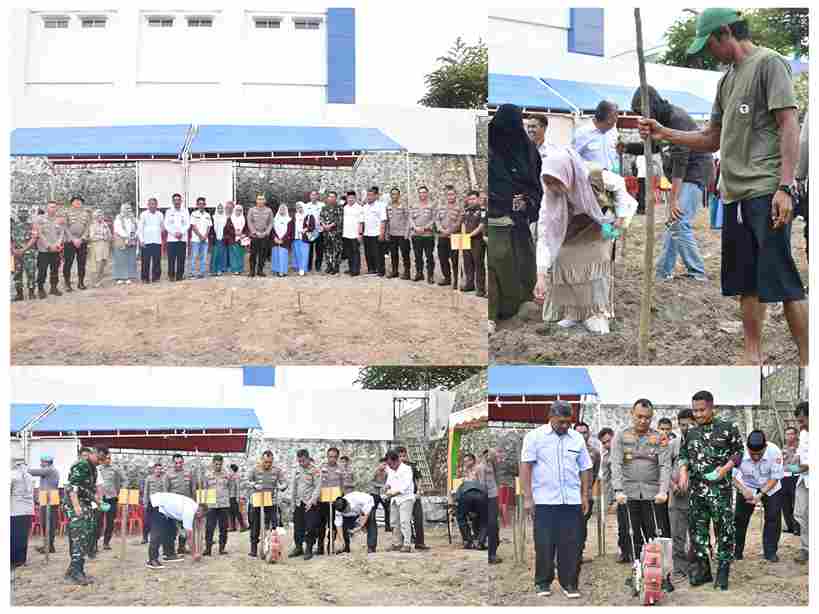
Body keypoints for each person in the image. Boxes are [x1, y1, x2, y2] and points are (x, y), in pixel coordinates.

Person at [638, 9, 808, 366]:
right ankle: (752, 353)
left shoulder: (769, 64)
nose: (709, 53)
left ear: (725, 32)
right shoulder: (725, 81)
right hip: (733, 195)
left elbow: (788, 123)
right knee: (744, 282)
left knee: (783, 279)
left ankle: (808, 359)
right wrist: (664, 132)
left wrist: (785, 187)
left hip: (766, 190)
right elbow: (710, 138)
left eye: (710, 44)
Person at [534, 147, 637, 335]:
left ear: (567, 173)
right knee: (561, 259)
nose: (552, 187)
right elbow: (545, 236)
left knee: (595, 259)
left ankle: (596, 313)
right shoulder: (550, 198)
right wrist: (541, 275)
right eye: (547, 182)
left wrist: (621, 216)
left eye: (556, 182)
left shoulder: (592, 176)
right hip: (570, 230)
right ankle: (573, 312)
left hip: (598, 225)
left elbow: (620, 185)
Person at [629, 86, 711, 281]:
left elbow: (681, 161)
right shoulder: (661, 123)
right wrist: (628, 147)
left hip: (694, 173)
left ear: (652, 106)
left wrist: (673, 199)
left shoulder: (677, 119)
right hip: (683, 175)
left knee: (679, 221)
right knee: (673, 224)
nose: (641, 116)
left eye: (642, 112)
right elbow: (654, 147)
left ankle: (697, 273)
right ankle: (663, 271)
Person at [520, 400, 591, 599]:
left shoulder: (577, 438)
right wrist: (528, 498)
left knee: (571, 544)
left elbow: (586, 467)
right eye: (561, 422)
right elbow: (526, 466)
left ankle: (570, 583)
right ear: (550, 417)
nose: (565, 426)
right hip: (544, 501)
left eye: (568, 422)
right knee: (544, 543)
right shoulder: (534, 437)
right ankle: (543, 582)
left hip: (571, 501)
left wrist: (585, 495)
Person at [679, 390, 744, 590]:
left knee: (724, 530)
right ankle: (704, 570)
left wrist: (725, 469)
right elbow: (684, 455)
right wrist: (683, 472)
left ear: (711, 407)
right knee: (698, 532)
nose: (697, 414)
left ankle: (723, 571)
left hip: (720, 492)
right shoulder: (690, 431)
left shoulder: (728, 427)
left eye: (701, 410)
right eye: (695, 410)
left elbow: (739, 453)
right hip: (697, 492)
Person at [488, 104, 542, 332]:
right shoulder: (487, 146)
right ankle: (492, 313)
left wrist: (527, 200)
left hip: (518, 223)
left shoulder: (528, 150)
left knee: (521, 265)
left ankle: (520, 306)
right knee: (495, 264)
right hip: (492, 222)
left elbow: (536, 186)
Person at [611, 399, 672, 590]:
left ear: (651, 417)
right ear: (632, 414)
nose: (643, 421)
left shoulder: (659, 437)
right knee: (632, 536)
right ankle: (638, 573)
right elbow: (616, 464)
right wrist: (618, 490)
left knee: (656, 536)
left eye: (647, 417)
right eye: (639, 416)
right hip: (628, 495)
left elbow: (665, 465)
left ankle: (662, 577)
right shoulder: (621, 437)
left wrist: (663, 491)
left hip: (653, 495)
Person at [732, 430, 784, 562]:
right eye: (752, 454)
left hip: (770, 487)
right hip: (746, 485)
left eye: (759, 454)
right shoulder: (739, 452)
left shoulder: (774, 451)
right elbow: (731, 475)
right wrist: (743, 490)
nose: (755, 457)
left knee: (773, 518)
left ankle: (770, 552)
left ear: (765, 447)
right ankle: (737, 552)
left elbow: (775, 477)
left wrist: (761, 494)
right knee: (739, 519)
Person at [63, 447, 99, 585]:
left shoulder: (91, 469)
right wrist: (77, 506)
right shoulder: (80, 466)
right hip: (76, 506)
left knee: (85, 537)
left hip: (85, 505)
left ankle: (74, 571)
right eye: (83, 455)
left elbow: (86, 490)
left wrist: (97, 501)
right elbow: (72, 487)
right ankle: (76, 573)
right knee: (79, 538)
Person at [146, 493, 206, 570]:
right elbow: (189, 536)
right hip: (157, 504)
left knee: (171, 531)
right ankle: (152, 560)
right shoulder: (190, 511)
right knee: (157, 533)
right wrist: (194, 553)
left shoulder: (194, 506)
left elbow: (182, 523)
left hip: (166, 510)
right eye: (201, 517)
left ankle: (169, 554)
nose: (199, 519)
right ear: (200, 511)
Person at [669, 408, 695, 581]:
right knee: (677, 534)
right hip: (677, 497)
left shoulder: (702, 444)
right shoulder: (673, 445)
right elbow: (663, 468)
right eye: (682, 424)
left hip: (696, 497)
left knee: (696, 535)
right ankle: (679, 567)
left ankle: (695, 565)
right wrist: (672, 485)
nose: (685, 428)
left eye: (689, 424)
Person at [599, 426, 631, 562]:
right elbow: (606, 482)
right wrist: (610, 501)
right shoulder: (605, 459)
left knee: (636, 524)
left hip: (634, 493)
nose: (607, 444)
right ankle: (624, 552)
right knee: (623, 526)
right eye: (604, 442)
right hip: (620, 497)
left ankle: (640, 552)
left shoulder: (627, 452)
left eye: (608, 440)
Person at [247, 451, 286, 558]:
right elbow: (247, 481)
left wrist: (282, 486)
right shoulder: (255, 469)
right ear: (261, 460)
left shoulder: (277, 470)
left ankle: (275, 547)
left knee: (274, 525)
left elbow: (284, 482)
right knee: (255, 525)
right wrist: (254, 485)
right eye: (265, 462)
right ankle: (254, 549)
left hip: (271, 501)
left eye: (270, 462)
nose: (267, 464)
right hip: (257, 500)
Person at [574, 422, 601, 567]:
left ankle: (578, 554)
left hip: (586, 495)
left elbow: (595, 473)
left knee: (581, 526)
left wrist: (588, 489)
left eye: (584, 432)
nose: (582, 435)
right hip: (569, 495)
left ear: (589, 434)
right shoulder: (568, 449)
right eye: (579, 432)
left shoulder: (595, 453)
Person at [289, 449, 322, 560]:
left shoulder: (315, 470)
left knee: (310, 527)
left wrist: (312, 501)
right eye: (299, 461)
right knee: (298, 526)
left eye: (303, 461)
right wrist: (292, 503)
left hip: (310, 503)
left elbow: (318, 487)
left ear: (308, 458)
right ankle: (298, 547)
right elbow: (294, 486)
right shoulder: (297, 470)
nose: (301, 463)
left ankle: (309, 548)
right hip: (299, 503)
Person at [396, 446, 429, 550]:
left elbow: (419, 479)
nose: (402, 458)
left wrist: (419, 491)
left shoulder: (412, 466)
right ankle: (405, 542)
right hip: (401, 497)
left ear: (407, 455)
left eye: (404, 455)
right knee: (403, 521)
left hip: (414, 496)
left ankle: (420, 542)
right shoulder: (394, 468)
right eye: (400, 456)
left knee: (418, 518)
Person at [572, 100, 620, 171]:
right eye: (616, 115)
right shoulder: (582, 133)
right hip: (590, 180)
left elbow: (615, 156)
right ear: (609, 118)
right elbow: (573, 158)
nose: (617, 119)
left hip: (611, 178)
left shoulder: (613, 132)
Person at [454, 455, 488, 550]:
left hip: (473, 494)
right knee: (484, 519)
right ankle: (479, 542)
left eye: (467, 461)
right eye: (464, 461)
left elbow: (482, 483)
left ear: (473, 460)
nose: (465, 463)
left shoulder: (479, 468)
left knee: (461, 517)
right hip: (475, 496)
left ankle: (469, 541)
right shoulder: (467, 472)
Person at [384, 449, 415, 553]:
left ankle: (407, 544)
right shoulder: (391, 469)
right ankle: (397, 543)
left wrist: (392, 493)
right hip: (394, 499)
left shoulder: (407, 469)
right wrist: (387, 486)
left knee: (404, 521)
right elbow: (389, 481)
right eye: (388, 464)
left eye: (390, 463)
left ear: (396, 460)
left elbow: (404, 487)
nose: (389, 466)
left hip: (406, 498)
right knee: (394, 522)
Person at [28, 454, 60, 554]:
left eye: (42, 462)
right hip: (46, 496)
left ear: (46, 462)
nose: (41, 464)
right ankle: (48, 545)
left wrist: (22, 468)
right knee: (45, 523)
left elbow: (32, 472)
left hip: (50, 497)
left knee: (49, 523)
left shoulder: (49, 470)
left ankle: (49, 546)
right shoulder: (49, 470)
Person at [34, 201, 65, 298]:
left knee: (55, 270)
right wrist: (48, 246)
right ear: (46, 208)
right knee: (42, 270)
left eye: (55, 207)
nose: (53, 209)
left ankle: (54, 288)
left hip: (56, 250)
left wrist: (58, 244)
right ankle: (41, 289)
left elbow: (61, 233)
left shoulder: (59, 220)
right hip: (44, 250)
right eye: (51, 207)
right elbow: (39, 233)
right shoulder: (39, 219)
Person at [94, 447, 123, 552]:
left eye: (109, 458)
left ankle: (106, 542)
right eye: (105, 458)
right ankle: (95, 543)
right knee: (98, 521)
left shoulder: (115, 469)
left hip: (112, 498)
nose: (107, 460)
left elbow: (124, 480)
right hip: (100, 499)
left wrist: (120, 491)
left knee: (110, 522)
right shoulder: (97, 469)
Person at [477, 447, 502, 564]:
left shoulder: (492, 465)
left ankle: (493, 551)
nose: (491, 457)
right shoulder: (481, 467)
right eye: (489, 455)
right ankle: (490, 554)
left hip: (494, 496)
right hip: (486, 497)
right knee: (490, 524)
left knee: (494, 524)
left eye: (492, 455)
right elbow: (482, 484)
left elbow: (496, 478)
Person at [164, 453, 193, 555]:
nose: (178, 465)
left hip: (186, 505)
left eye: (180, 462)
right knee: (172, 529)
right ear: (173, 463)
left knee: (184, 527)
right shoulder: (168, 475)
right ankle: (169, 550)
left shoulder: (188, 473)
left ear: (183, 462)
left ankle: (181, 547)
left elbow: (192, 489)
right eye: (176, 463)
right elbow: (165, 491)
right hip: (173, 506)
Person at [435, 186, 464, 289]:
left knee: (455, 260)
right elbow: (437, 220)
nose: (450, 196)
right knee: (443, 258)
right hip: (442, 236)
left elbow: (459, 222)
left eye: (452, 194)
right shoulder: (441, 207)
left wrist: (449, 231)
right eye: (448, 195)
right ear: (446, 196)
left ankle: (457, 280)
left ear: (456, 195)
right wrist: (441, 230)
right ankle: (447, 278)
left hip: (455, 237)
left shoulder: (460, 208)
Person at [62, 196, 92, 291]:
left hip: (82, 242)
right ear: (72, 203)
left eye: (80, 201)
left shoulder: (86, 214)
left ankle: (81, 282)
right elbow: (65, 227)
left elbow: (88, 227)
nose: (78, 203)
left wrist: (82, 238)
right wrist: (73, 239)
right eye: (76, 201)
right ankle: (67, 284)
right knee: (68, 263)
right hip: (69, 241)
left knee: (82, 263)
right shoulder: (66, 212)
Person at [317, 447, 343, 554]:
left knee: (333, 524)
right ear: (327, 456)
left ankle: (330, 544)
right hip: (323, 500)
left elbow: (342, 485)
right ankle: (320, 546)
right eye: (330, 456)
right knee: (321, 524)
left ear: (337, 457)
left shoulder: (341, 469)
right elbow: (317, 483)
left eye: (334, 457)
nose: (332, 459)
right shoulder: (321, 468)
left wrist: (341, 498)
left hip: (335, 500)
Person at [792, 401, 809, 564]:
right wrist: (795, 459)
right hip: (804, 479)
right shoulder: (804, 433)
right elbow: (800, 452)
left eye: (802, 421)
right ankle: (806, 548)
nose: (800, 425)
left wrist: (801, 467)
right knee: (800, 513)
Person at [204, 455, 231, 556]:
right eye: (216, 464)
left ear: (222, 463)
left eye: (220, 464)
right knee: (209, 527)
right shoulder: (207, 475)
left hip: (223, 504)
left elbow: (230, 487)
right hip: (211, 504)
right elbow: (205, 489)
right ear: (213, 463)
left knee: (223, 527)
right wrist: (204, 503)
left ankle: (222, 548)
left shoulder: (227, 475)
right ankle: (208, 549)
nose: (218, 466)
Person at [11, 455, 34, 569]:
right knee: (23, 536)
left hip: (15, 510)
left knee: (14, 536)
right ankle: (22, 559)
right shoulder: (29, 476)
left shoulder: (12, 475)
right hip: (28, 510)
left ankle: (14, 560)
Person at [409, 186, 437, 283]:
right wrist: (415, 228)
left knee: (429, 256)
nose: (422, 194)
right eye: (420, 192)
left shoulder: (432, 205)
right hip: (416, 234)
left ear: (427, 193)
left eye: (424, 192)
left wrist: (425, 228)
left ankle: (430, 276)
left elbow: (434, 219)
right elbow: (410, 218)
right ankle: (419, 273)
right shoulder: (414, 205)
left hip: (428, 235)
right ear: (418, 194)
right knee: (417, 256)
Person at [461, 190, 486, 296]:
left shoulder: (483, 211)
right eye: (470, 199)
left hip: (477, 241)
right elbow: (463, 223)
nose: (471, 201)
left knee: (478, 264)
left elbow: (481, 226)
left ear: (478, 199)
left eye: (473, 199)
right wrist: (463, 235)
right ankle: (469, 284)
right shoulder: (466, 211)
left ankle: (480, 289)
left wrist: (470, 235)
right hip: (466, 239)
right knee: (467, 263)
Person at [11, 208, 38, 301]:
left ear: (28, 214)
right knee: (17, 274)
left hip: (29, 254)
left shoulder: (32, 225)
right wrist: (13, 249)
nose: (22, 214)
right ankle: (19, 294)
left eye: (24, 213)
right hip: (17, 254)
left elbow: (34, 239)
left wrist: (23, 249)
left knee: (31, 274)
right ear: (18, 214)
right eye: (21, 212)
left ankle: (31, 293)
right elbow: (12, 239)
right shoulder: (13, 225)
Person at [386, 187, 411, 279]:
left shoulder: (403, 206)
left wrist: (407, 233)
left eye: (396, 194)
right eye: (392, 194)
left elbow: (409, 219)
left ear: (399, 195)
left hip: (402, 234)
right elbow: (388, 221)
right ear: (390, 195)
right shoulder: (388, 206)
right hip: (392, 234)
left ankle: (407, 272)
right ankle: (395, 271)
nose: (394, 196)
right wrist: (387, 233)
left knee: (405, 254)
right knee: (393, 254)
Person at [163, 193, 190, 281]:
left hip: (182, 238)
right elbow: (166, 224)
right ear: (173, 201)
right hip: (171, 239)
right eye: (175, 200)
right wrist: (174, 233)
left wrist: (181, 232)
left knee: (181, 258)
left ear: (181, 201)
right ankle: (171, 275)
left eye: (179, 200)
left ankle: (179, 276)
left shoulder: (185, 211)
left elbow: (187, 224)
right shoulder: (168, 211)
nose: (177, 202)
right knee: (171, 258)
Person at [137, 198, 164, 283]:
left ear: (157, 205)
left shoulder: (160, 214)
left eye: (154, 204)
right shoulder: (143, 214)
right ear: (148, 205)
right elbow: (140, 229)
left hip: (157, 240)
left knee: (157, 260)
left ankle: (156, 277)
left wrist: (163, 228)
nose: (152, 206)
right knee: (145, 261)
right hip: (146, 241)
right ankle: (145, 278)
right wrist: (141, 240)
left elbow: (162, 226)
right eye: (151, 204)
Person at [781, 425, 801, 535]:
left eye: (791, 434)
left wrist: (788, 466)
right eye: (787, 434)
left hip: (796, 477)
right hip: (784, 478)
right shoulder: (783, 448)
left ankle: (798, 527)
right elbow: (780, 464)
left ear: (796, 435)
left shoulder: (800, 448)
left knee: (796, 503)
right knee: (785, 503)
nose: (789, 436)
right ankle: (790, 526)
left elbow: (800, 466)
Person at [142, 462, 168, 546]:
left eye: (160, 469)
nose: (159, 471)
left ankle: (158, 538)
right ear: (154, 469)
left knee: (159, 521)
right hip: (150, 503)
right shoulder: (149, 478)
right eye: (157, 469)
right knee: (147, 521)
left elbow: (165, 490)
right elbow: (146, 490)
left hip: (160, 503)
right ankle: (145, 537)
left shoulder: (164, 479)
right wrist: (145, 502)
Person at [363, 186, 387, 276]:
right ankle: (371, 269)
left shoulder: (381, 206)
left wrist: (382, 233)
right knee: (368, 253)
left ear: (376, 196)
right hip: (367, 233)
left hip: (377, 233)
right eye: (368, 195)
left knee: (378, 253)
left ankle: (380, 270)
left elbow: (383, 220)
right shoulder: (365, 206)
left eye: (371, 195)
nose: (369, 197)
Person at [247, 194, 273, 277]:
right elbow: (249, 221)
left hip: (265, 235)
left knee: (263, 254)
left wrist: (266, 232)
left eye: (262, 199)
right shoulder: (251, 210)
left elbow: (271, 222)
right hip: (254, 236)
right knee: (253, 254)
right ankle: (252, 271)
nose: (260, 201)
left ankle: (260, 270)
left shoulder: (269, 210)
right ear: (256, 200)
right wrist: (254, 232)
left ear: (265, 201)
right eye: (259, 199)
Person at [112, 203, 138, 285]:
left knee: (130, 259)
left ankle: (129, 276)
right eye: (126, 209)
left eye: (129, 208)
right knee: (120, 259)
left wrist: (133, 236)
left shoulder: (134, 219)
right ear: (122, 209)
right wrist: (127, 237)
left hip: (131, 241)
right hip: (121, 241)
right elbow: (118, 229)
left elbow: (138, 227)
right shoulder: (118, 219)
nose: (128, 210)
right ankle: (119, 277)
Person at [319, 191, 344, 274]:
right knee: (327, 250)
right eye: (329, 196)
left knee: (336, 250)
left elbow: (339, 220)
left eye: (333, 197)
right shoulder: (324, 208)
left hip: (336, 233)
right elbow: (321, 217)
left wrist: (329, 226)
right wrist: (323, 225)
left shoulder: (339, 207)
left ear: (336, 198)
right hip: (326, 233)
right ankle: (329, 266)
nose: (331, 198)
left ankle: (336, 267)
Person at [189, 197, 212, 279]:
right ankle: (193, 273)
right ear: (197, 205)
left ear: (205, 205)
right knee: (194, 256)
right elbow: (193, 226)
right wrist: (200, 236)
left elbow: (209, 227)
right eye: (200, 204)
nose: (201, 205)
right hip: (196, 239)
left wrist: (205, 236)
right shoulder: (193, 214)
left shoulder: (207, 215)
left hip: (205, 240)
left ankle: (202, 272)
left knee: (204, 257)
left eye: (203, 204)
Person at [342, 190, 364, 276]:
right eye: (349, 198)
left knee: (355, 252)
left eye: (352, 198)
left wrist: (360, 234)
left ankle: (356, 270)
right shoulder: (345, 207)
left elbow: (361, 222)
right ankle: (351, 268)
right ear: (346, 198)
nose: (350, 199)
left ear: (355, 198)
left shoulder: (359, 208)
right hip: (346, 234)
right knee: (348, 253)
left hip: (355, 235)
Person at [88, 209, 111, 287]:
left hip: (105, 245)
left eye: (101, 216)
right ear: (95, 217)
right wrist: (102, 237)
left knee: (104, 263)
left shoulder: (105, 224)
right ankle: (95, 281)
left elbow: (110, 235)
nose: (101, 217)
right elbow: (91, 237)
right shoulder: (92, 225)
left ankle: (100, 280)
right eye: (99, 216)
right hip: (97, 246)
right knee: (98, 264)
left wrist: (107, 236)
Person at [270, 204, 294, 277]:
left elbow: (290, 231)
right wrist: (275, 238)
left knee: (283, 255)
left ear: (286, 210)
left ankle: (282, 271)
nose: (282, 210)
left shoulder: (289, 220)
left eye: (283, 209)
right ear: (278, 210)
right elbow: (272, 230)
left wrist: (283, 239)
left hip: (285, 241)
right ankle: (276, 270)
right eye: (281, 209)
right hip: (275, 240)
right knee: (276, 255)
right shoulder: (274, 219)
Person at [368, 457, 392, 532]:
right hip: (374, 493)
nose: (385, 466)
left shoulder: (386, 473)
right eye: (384, 464)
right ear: (379, 464)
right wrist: (381, 485)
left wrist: (387, 489)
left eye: (386, 465)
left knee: (387, 509)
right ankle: (371, 526)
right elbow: (371, 482)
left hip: (383, 494)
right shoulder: (375, 471)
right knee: (373, 510)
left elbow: (386, 483)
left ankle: (387, 527)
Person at [304, 190, 325, 273]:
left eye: (315, 195)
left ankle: (318, 266)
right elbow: (305, 218)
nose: (313, 196)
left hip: (320, 230)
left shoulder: (322, 205)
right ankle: (309, 266)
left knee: (319, 250)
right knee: (309, 250)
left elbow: (325, 216)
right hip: (310, 231)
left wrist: (323, 227)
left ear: (317, 196)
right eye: (312, 195)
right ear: (310, 196)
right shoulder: (306, 206)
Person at [225, 202, 247, 275]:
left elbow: (246, 229)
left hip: (242, 239)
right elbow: (227, 229)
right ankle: (234, 269)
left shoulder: (243, 218)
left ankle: (240, 268)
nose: (239, 211)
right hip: (232, 239)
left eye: (240, 210)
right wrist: (235, 233)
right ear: (234, 210)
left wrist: (244, 234)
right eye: (237, 210)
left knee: (240, 254)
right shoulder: (230, 218)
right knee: (233, 255)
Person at [292, 203, 313, 277]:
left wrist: (306, 229)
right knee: (298, 253)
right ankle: (298, 267)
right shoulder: (294, 215)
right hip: (296, 237)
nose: (299, 209)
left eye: (300, 207)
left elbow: (312, 226)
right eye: (297, 207)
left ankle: (303, 269)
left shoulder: (308, 215)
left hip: (304, 237)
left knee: (304, 254)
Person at [227, 463, 247, 532]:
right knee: (230, 512)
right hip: (229, 496)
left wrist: (238, 497)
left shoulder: (236, 476)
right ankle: (232, 527)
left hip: (234, 496)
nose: (229, 470)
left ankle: (242, 526)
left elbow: (238, 487)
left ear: (232, 469)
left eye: (230, 469)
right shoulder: (229, 477)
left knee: (237, 511)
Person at [210, 202, 228, 276]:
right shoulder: (213, 217)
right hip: (216, 239)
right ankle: (214, 270)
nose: (220, 209)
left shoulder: (225, 217)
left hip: (223, 239)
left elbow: (227, 229)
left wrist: (225, 236)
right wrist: (212, 237)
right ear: (217, 209)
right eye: (219, 208)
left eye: (221, 208)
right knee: (215, 255)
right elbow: (211, 229)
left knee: (222, 255)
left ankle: (220, 269)